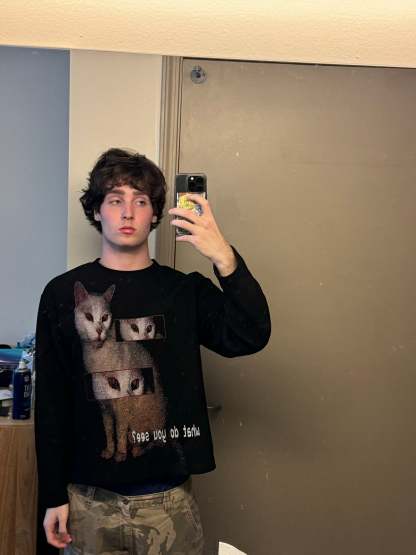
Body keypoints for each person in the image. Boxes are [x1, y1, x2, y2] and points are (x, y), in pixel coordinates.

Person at [34, 147, 271, 554]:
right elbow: (51, 402)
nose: (127, 213)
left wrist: (223, 255)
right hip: (87, 501)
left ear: (156, 214)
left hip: (168, 503)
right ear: (97, 211)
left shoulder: (184, 291)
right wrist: (52, 494)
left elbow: (251, 334)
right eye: (115, 200)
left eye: (140, 201)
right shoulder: (61, 294)